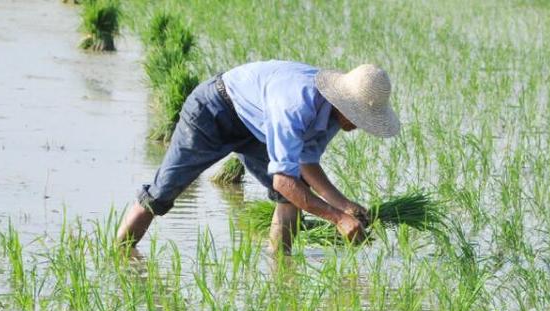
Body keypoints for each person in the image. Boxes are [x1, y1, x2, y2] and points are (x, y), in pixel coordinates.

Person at [117, 60, 400, 253]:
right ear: (345, 104)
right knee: (161, 194)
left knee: (291, 198)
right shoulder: (296, 106)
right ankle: (118, 257)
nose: (360, 126)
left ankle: (280, 267)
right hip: (213, 111)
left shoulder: (333, 116)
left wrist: (345, 205)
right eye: (361, 118)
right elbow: (283, 180)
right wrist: (337, 219)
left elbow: (306, 163)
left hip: (256, 127)